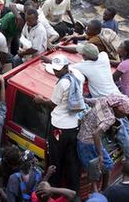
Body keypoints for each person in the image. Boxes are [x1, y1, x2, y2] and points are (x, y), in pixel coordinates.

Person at [34, 55, 84, 192]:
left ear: (66, 67)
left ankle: (53, 190)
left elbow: (52, 103)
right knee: (72, 160)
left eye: (58, 70)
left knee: (55, 159)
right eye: (54, 69)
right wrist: (50, 61)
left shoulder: (62, 83)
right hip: (73, 126)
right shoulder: (77, 76)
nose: (56, 73)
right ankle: (74, 191)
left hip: (58, 129)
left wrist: (40, 100)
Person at [77, 94, 129, 191]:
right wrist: (100, 154)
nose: (123, 117)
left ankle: (100, 190)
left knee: (96, 169)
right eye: (123, 114)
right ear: (117, 109)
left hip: (81, 139)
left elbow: (87, 101)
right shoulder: (110, 118)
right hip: (89, 144)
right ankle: (102, 190)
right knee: (101, 168)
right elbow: (95, 134)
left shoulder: (102, 100)